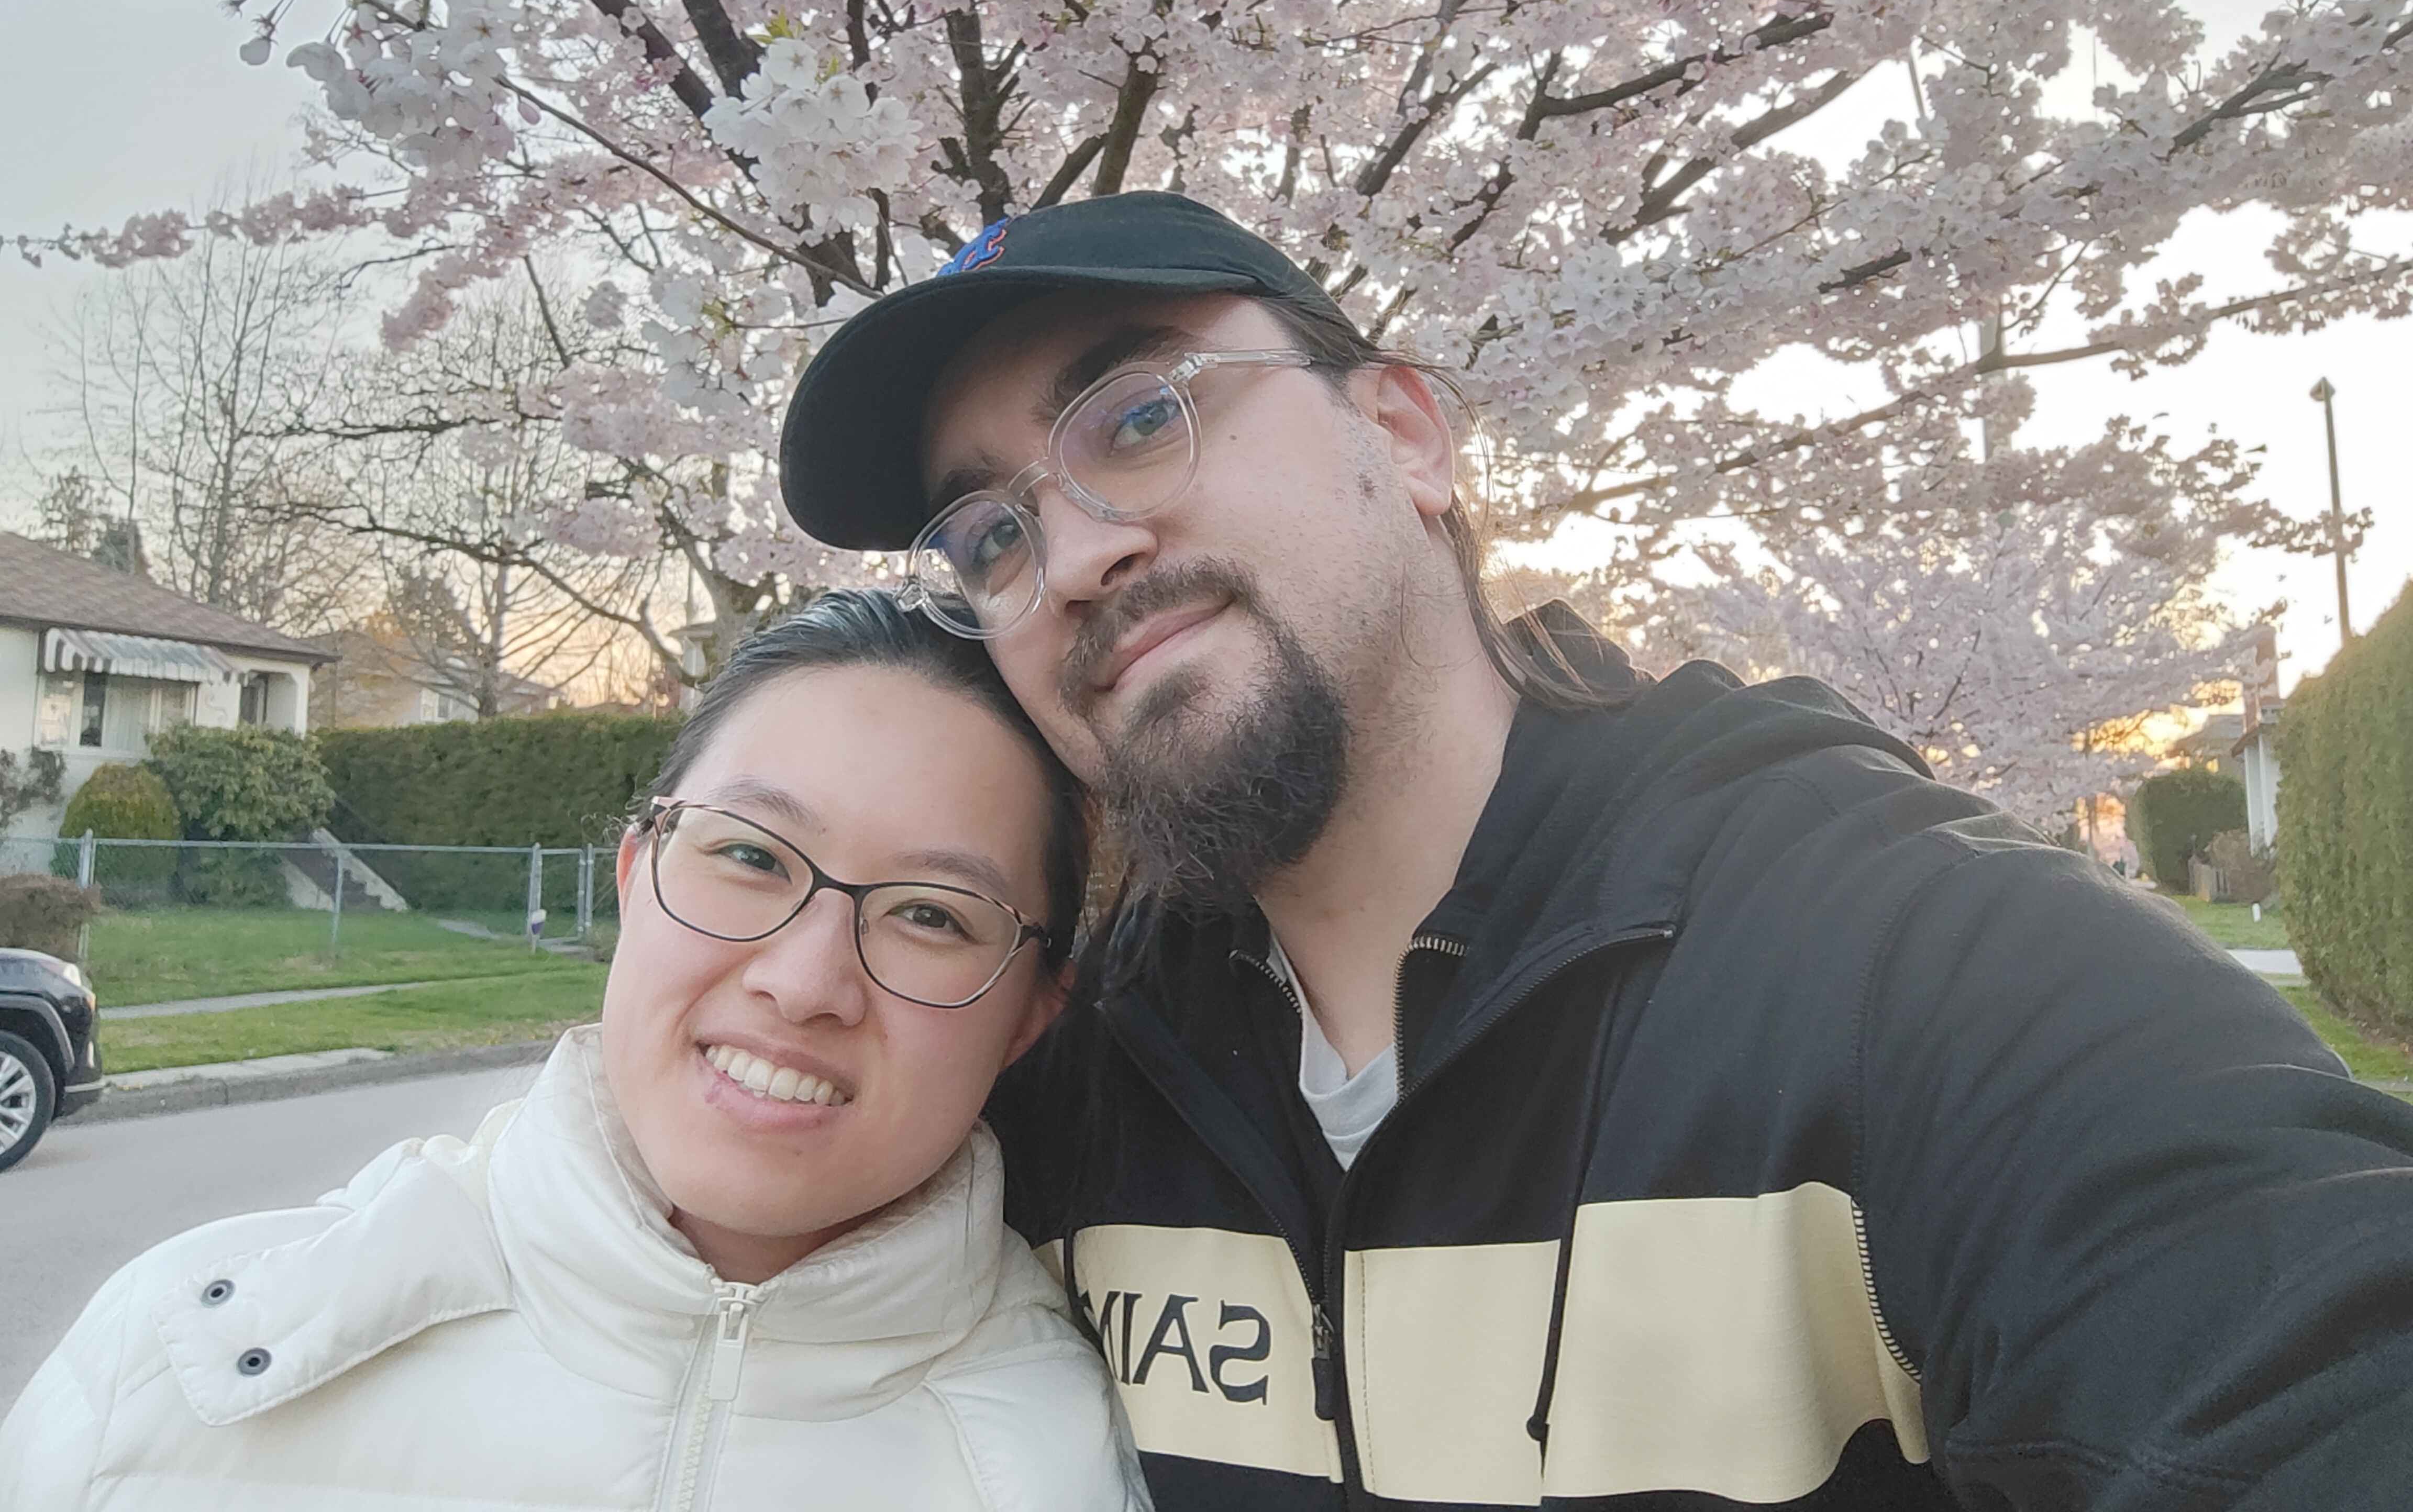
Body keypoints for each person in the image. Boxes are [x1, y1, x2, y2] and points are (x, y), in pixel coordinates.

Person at [776, 192, 2413, 1511]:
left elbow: (2301, 1344)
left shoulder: (1905, 971)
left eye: (1140, 417)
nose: (1071, 555)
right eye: (988, 534)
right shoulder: (1061, 1081)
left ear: (1407, 436)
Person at [0, 591, 1147, 1512]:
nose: (803, 985)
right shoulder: (183, 1359)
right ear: (635, 872)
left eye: (933, 916)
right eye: (749, 857)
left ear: (1034, 1012)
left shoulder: (1097, 1464)